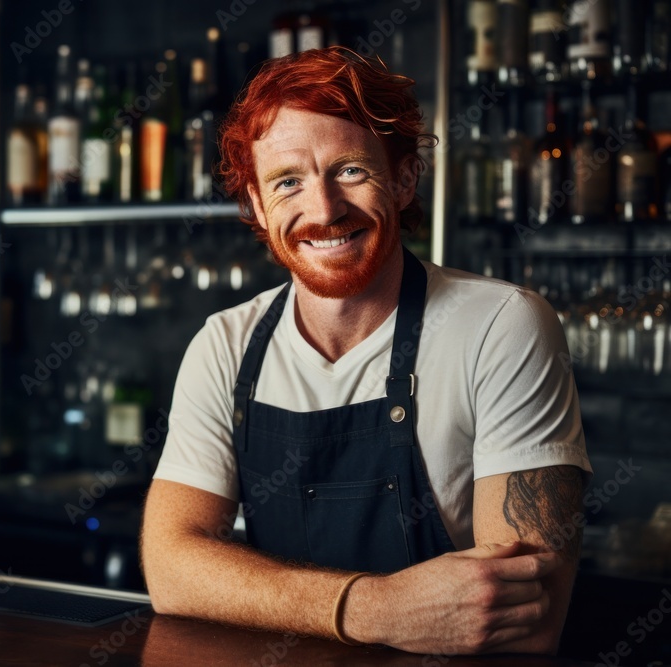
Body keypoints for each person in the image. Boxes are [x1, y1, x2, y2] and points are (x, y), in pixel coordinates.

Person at [140, 47, 591, 656]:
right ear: (255, 203)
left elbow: (529, 617)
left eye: (350, 170)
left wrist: (259, 591)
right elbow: (171, 569)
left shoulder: (501, 325)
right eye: (288, 181)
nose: (323, 210)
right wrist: (373, 607)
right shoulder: (225, 345)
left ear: (404, 179)